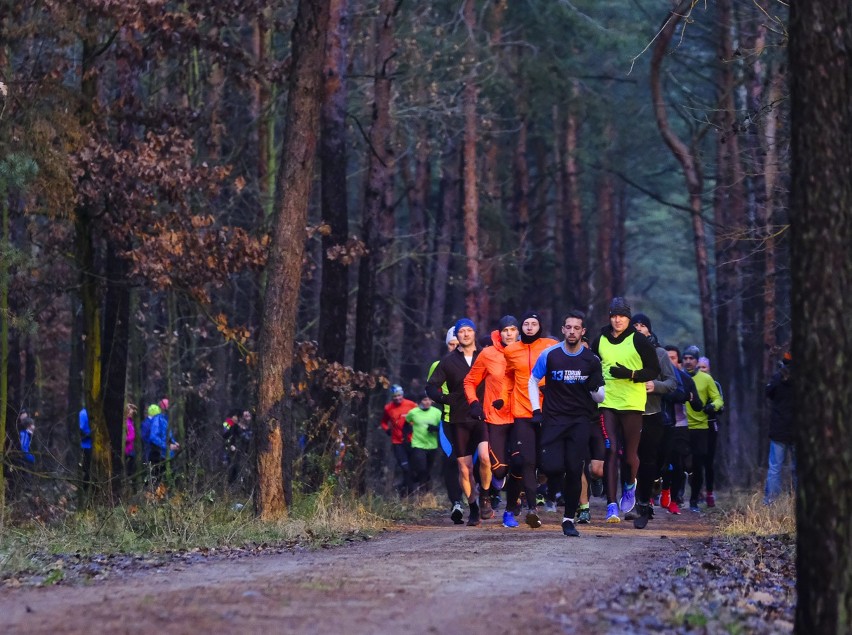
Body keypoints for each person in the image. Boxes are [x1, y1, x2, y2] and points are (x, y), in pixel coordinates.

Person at [528, 311, 605, 537]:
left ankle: (569, 519)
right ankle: (554, 489)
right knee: (551, 466)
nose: (572, 331)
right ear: (563, 330)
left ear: (583, 332)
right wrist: (535, 409)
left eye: (576, 328)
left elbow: (600, 397)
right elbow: (532, 380)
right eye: (568, 327)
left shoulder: (591, 360)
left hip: (580, 421)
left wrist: (594, 386)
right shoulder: (550, 354)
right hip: (553, 419)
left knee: (574, 469)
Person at [590, 297, 661, 523]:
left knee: (630, 457)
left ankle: (630, 485)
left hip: (632, 403)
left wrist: (630, 374)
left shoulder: (639, 340)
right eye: (613, 315)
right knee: (610, 450)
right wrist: (593, 380)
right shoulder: (600, 339)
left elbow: (653, 370)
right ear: (609, 317)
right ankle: (611, 504)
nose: (617, 319)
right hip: (607, 402)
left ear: (628, 318)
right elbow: (591, 363)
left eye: (621, 315)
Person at [426, 317, 488, 526]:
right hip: (458, 419)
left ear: (474, 333)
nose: (465, 334)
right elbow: (431, 387)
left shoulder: (485, 356)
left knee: (486, 459)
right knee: (464, 468)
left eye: (469, 330)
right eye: (461, 332)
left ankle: (486, 496)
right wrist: (444, 399)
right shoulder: (448, 361)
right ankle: (473, 507)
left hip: (482, 417)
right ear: (457, 336)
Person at [500, 310, 558, 528]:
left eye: (534, 323)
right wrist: (502, 398)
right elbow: (507, 377)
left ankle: (543, 493)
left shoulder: (550, 345)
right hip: (522, 411)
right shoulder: (512, 350)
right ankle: (532, 509)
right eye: (526, 323)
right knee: (526, 461)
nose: (530, 327)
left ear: (540, 327)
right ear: (521, 328)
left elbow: (560, 369)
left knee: (548, 464)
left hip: (548, 410)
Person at [463, 315, 519, 522]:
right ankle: (486, 494)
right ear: (500, 332)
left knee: (521, 460)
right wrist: (474, 403)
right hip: (493, 417)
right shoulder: (488, 354)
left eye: (513, 330)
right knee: (498, 468)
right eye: (505, 330)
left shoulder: (525, 351)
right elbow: (470, 381)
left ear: (518, 332)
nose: (509, 334)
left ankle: (516, 500)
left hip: (520, 415)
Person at [629, 313, 677, 528]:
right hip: (627, 412)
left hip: (651, 414)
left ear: (649, 329)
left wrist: (654, 386)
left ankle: (643, 505)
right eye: (635, 325)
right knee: (629, 461)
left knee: (648, 461)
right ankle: (630, 502)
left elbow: (672, 383)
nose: (639, 328)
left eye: (642, 325)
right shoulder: (624, 351)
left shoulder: (660, 354)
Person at [427, 326, 465, 523]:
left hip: (470, 421)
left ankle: (479, 497)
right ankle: (456, 502)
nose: (455, 347)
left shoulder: (474, 363)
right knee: (451, 460)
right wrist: (445, 399)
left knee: (472, 463)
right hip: (448, 420)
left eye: (458, 344)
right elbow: (430, 391)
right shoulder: (438, 365)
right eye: (451, 344)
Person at [660, 345, 703, 514]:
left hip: (680, 426)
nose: (670, 361)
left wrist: (690, 398)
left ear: (678, 361)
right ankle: (657, 493)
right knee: (660, 463)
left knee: (678, 464)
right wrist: (682, 396)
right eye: (667, 358)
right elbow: (668, 396)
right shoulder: (658, 377)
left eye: (673, 358)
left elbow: (697, 404)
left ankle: (675, 498)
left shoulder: (685, 379)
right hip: (662, 425)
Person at [682, 345, 723, 512]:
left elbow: (719, 400)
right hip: (681, 426)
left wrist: (711, 406)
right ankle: (674, 497)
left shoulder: (706, 379)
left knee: (698, 465)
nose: (688, 361)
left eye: (691, 358)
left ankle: (693, 500)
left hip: (701, 427)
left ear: (697, 361)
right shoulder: (678, 377)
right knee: (682, 465)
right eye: (685, 358)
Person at [764, 352, 794, 504]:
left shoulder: (777, 378)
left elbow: (768, 392)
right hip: (797, 430)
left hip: (779, 429)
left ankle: (771, 502)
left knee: (775, 468)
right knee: (797, 469)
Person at [378, 384, 417, 496]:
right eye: (395, 396)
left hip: (413, 440)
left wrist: (413, 426)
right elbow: (383, 422)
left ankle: (411, 490)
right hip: (397, 442)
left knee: (414, 468)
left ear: (402, 394)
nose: (397, 398)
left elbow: (420, 417)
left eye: (399, 395)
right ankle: (407, 492)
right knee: (405, 467)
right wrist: (387, 430)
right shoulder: (388, 408)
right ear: (392, 397)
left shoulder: (411, 404)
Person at [697, 356, 723, 507]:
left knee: (708, 461)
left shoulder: (715, 384)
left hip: (710, 424)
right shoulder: (692, 382)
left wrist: (712, 407)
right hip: (694, 425)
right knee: (695, 461)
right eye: (699, 368)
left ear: (709, 369)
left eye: (704, 368)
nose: (702, 370)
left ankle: (709, 492)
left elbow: (721, 405)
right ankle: (697, 491)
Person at [405, 394, 442, 492]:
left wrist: (436, 428)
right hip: (418, 444)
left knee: (427, 470)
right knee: (421, 468)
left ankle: (426, 491)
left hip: (432, 445)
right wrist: (406, 436)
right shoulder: (413, 412)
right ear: (420, 401)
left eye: (430, 400)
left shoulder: (437, 412)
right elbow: (406, 423)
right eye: (425, 400)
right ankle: (421, 490)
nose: (427, 402)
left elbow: (443, 428)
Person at [79, 407, 92, 489]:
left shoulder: (93, 411)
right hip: (86, 445)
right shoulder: (83, 413)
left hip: (92, 445)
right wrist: (89, 435)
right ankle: (84, 489)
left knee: (90, 469)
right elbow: (80, 429)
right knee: (88, 469)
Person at [125, 404, 137, 480]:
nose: (132, 413)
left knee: (130, 471)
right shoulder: (125, 422)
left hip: (130, 449)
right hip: (126, 450)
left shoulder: (130, 421)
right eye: (130, 411)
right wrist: (129, 438)